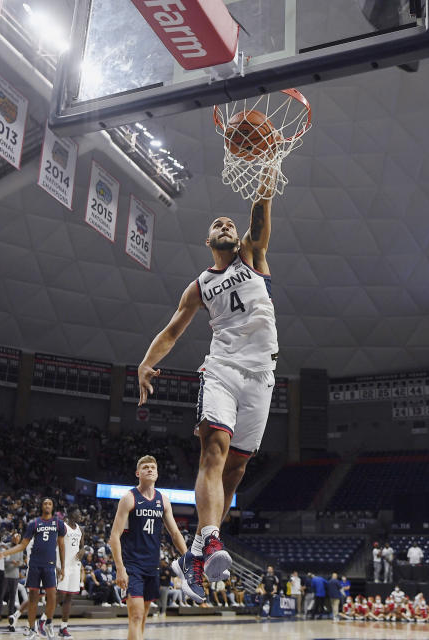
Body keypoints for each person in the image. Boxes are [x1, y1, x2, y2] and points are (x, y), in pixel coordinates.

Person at [137, 173, 280, 601]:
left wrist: (265, 180)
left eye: (229, 225)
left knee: (236, 469)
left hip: (262, 377)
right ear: (207, 241)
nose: (225, 226)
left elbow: (258, 219)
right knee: (214, 448)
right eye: (217, 225)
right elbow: (172, 330)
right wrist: (146, 362)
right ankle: (213, 537)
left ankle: (196, 551)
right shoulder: (200, 285)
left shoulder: (252, 255)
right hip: (220, 369)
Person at [109, 455, 189, 640]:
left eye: (153, 467)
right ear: (138, 473)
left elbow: (175, 534)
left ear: (157, 473)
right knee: (135, 615)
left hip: (152, 566)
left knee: (143, 617)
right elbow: (114, 536)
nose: (150, 470)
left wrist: (187, 557)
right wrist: (120, 568)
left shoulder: (163, 500)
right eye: (145, 467)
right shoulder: (129, 498)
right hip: (132, 565)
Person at [0, 497, 66, 638]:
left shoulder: (59, 523)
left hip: (50, 565)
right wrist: (4, 553)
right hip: (34, 565)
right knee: (33, 598)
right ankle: (32, 629)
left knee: (52, 597)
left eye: (49, 503)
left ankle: (48, 623)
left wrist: (62, 566)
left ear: (53, 507)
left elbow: (62, 546)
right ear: (41, 506)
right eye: (45, 503)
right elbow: (22, 545)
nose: (47, 505)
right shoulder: (34, 524)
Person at [53, 508, 85, 637]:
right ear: (72, 514)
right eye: (79, 513)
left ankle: (63, 628)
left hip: (75, 566)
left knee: (69, 597)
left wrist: (82, 550)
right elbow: (54, 546)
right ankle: (43, 620)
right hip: (63, 565)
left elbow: (82, 546)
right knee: (60, 596)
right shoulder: (63, 527)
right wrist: (56, 566)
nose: (81, 515)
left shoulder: (81, 529)